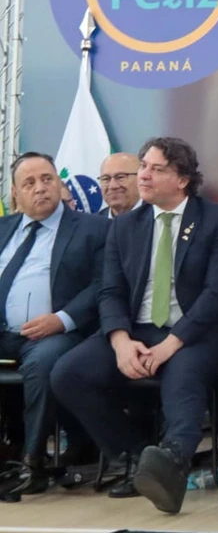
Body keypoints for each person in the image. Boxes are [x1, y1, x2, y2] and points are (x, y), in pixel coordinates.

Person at [50, 138, 218, 514]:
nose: (144, 175)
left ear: (182, 179)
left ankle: (173, 460)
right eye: (143, 167)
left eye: (156, 169)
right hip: (136, 330)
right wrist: (120, 340)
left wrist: (173, 342)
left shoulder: (217, 220)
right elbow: (110, 291)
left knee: (182, 379)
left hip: (196, 331)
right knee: (68, 374)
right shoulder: (125, 226)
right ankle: (138, 459)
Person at [0, 153, 109, 490]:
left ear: (59, 183)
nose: (40, 188)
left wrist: (62, 319)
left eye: (47, 179)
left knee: (44, 361)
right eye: (29, 183)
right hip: (5, 333)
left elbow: (103, 284)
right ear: (15, 193)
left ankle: (32, 462)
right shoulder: (3, 229)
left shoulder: (94, 228)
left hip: (60, 333)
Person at [97, 153, 142, 219]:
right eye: (106, 179)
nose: (112, 186)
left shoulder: (156, 217)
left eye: (120, 177)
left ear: (141, 178)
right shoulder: (94, 223)